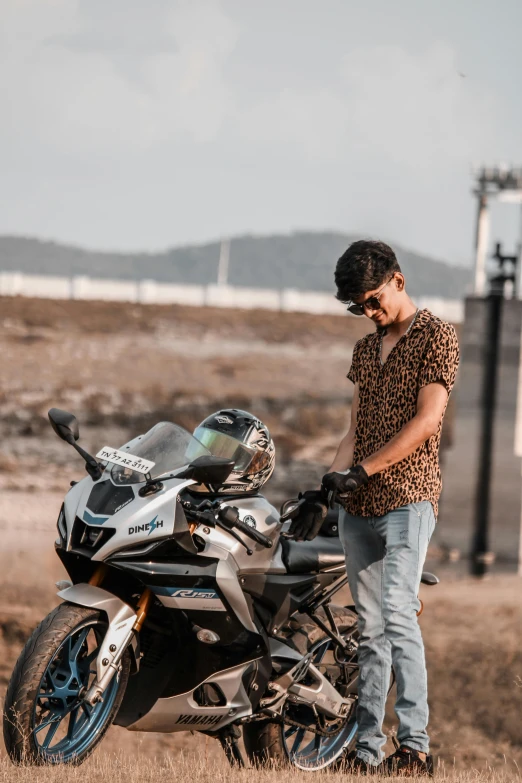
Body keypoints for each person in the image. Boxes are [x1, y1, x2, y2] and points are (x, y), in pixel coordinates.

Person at [288, 240, 460, 776]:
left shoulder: (438, 337)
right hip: (359, 507)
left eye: (372, 299)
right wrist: (330, 486)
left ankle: (414, 748)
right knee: (369, 629)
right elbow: (354, 429)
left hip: (409, 498)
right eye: (357, 306)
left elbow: (427, 422)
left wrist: (365, 469)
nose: (368, 312)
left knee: (398, 617)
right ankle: (365, 751)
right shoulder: (365, 350)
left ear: (398, 280)